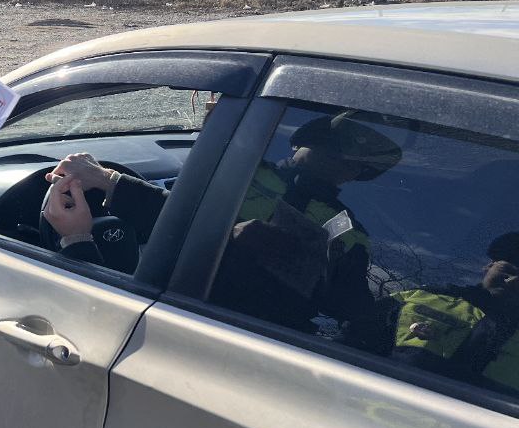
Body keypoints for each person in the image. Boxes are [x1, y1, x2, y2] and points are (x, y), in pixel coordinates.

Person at [44, 111, 401, 329]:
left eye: (351, 158)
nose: (338, 159)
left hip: (227, 319)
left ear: (359, 172)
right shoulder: (245, 165)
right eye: (330, 145)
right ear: (302, 142)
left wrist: (104, 188)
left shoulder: (349, 231)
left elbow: (192, 224)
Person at [343, 233, 519, 396]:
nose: (513, 279)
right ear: (488, 266)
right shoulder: (418, 298)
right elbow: (344, 350)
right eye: (510, 267)